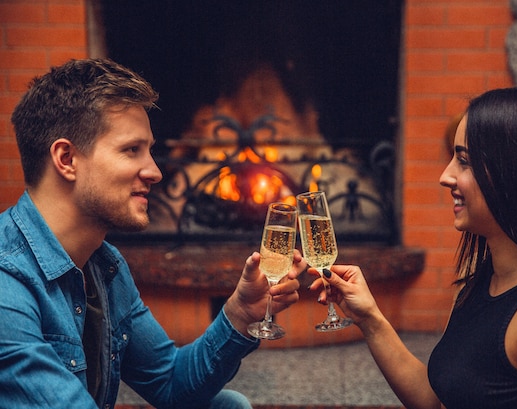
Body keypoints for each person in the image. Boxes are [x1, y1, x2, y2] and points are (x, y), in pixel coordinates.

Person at [0, 58, 306, 409]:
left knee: (228, 406)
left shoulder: (105, 266)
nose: (155, 171)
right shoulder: (7, 285)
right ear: (67, 158)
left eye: (149, 150)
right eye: (132, 150)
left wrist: (240, 312)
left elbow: (170, 383)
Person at [312, 84, 517, 409]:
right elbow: (439, 402)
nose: (445, 176)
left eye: (464, 160)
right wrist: (370, 319)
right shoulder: (481, 279)